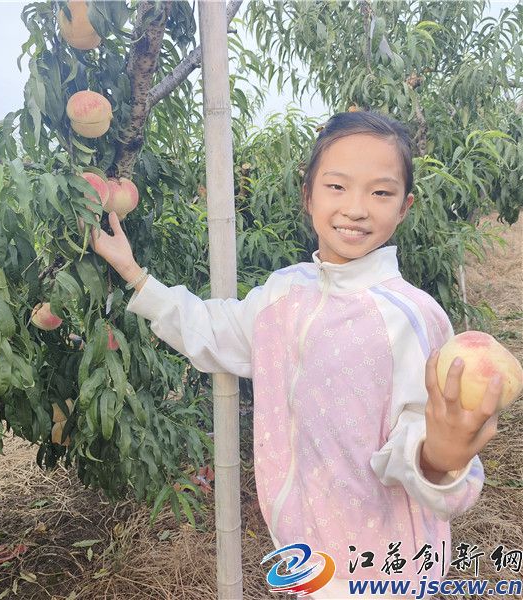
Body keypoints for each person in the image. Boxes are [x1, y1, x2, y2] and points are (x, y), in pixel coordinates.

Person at [89, 111, 501, 599]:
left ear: (404, 207)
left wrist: (438, 461)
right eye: (337, 187)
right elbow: (216, 330)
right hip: (303, 551)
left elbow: (418, 436)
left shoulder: (410, 317)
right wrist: (134, 274)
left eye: (380, 192)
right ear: (308, 195)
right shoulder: (285, 294)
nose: (356, 208)